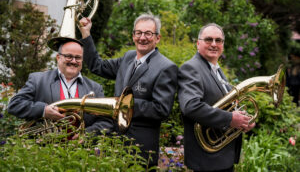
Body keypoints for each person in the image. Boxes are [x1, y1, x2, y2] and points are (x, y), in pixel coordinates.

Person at [79, 13, 178, 168]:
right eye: (138, 33)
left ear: (157, 38)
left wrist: (125, 104)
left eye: (148, 33)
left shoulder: (166, 67)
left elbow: (162, 109)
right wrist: (86, 33)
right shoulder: (128, 57)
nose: (142, 37)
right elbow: (96, 66)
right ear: (133, 36)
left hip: (141, 150)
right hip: (116, 144)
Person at [178, 23, 255, 172]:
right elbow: (191, 106)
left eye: (218, 40)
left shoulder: (217, 70)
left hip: (221, 158)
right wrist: (230, 119)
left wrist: (243, 121)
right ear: (198, 43)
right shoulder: (191, 68)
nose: (214, 44)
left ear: (223, 45)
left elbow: (227, 108)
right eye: (208, 39)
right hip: (206, 160)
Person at [8, 38, 113, 137]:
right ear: (58, 57)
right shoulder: (38, 80)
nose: (73, 61)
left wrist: (86, 134)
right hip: (43, 150)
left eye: (78, 58)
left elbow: (105, 121)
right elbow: (15, 104)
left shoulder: (95, 87)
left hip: (83, 151)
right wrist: (43, 110)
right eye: (69, 56)